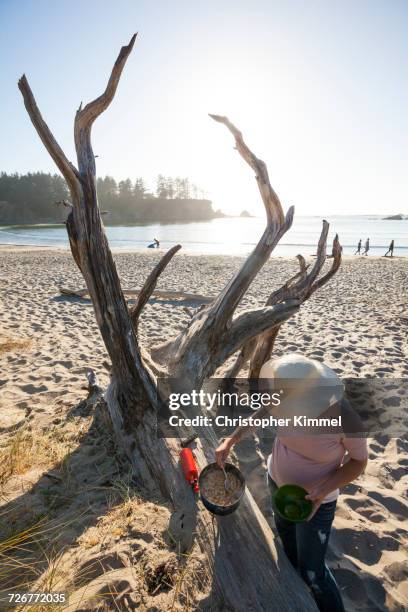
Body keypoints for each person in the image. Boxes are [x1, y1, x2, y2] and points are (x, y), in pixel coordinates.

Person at [215, 354, 368, 612]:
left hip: (316, 502)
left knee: (313, 573)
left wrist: (323, 489)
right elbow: (262, 413)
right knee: (287, 544)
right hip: (277, 483)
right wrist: (232, 439)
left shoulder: (345, 418)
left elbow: (359, 462)